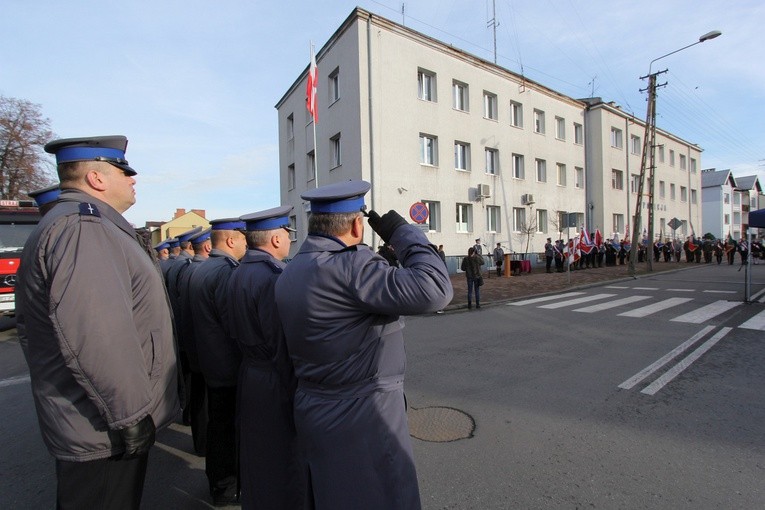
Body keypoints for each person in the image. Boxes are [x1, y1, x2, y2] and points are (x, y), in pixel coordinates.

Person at [16, 135, 179, 509]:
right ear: (97, 179)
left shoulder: (80, 225)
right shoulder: (83, 229)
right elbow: (97, 336)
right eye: (124, 171)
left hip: (95, 422)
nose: (133, 179)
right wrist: (130, 416)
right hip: (103, 429)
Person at [274, 181, 452, 510]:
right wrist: (402, 233)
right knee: (382, 497)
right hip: (363, 416)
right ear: (358, 225)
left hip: (314, 407)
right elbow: (436, 288)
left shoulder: (289, 272)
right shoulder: (353, 267)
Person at [226, 206, 304, 509]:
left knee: (257, 456)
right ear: (274, 240)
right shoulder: (274, 277)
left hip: (250, 374)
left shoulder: (240, 271)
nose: (289, 240)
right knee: (281, 459)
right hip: (273, 379)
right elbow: (281, 346)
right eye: (286, 234)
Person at [188, 218, 247, 506]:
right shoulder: (224, 272)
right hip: (227, 367)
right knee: (228, 431)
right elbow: (233, 324)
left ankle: (220, 482)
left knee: (219, 426)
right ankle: (226, 486)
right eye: (244, 238)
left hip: (211, 362)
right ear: (232, 240)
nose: (247, 243)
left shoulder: (203, 268)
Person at [176, 227, 212, 455]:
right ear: (207, 246)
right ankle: (203, 444)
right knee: (206, 404)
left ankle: (201, 443)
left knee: (198, 397)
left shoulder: (187, 269)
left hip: (192, 343)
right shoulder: (201, 271)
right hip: (208, 350)